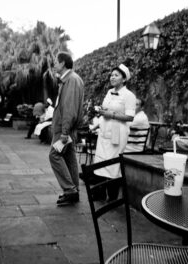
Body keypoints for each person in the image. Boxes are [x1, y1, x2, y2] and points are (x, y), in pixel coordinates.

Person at [92, 64, 136, 200]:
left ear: (124, 79)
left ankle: (112, 196)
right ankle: (99, 194)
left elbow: (130, 116)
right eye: (111, 75)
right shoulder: (109, 92)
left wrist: (111, 114)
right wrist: (101, 111)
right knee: (100, 161)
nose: (112, 77)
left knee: (113, 164)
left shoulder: (129, 96)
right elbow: (106, 109)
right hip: (104, 130)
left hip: (118, 133)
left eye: (116, 75)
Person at [49, 51, 84, 206]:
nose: (54, 64)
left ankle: (70, 190)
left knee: (54, 156)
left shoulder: (71, 80)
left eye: (56, 62)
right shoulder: (69, 80)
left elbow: (69, 108)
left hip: (65, 129)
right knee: (69, 158)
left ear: (63, 63)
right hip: (66, 128)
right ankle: (73, 190)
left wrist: (64, 131)